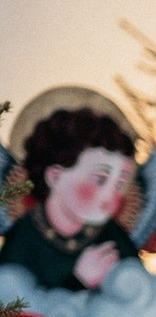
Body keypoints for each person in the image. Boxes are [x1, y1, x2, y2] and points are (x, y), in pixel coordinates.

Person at [0, 107, 139, 291]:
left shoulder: (114, 237)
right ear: (55, 177)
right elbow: (12, 310)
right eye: (100, 179)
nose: (111, 195)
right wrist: (78, 281)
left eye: (119, 184)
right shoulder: (24, 238)